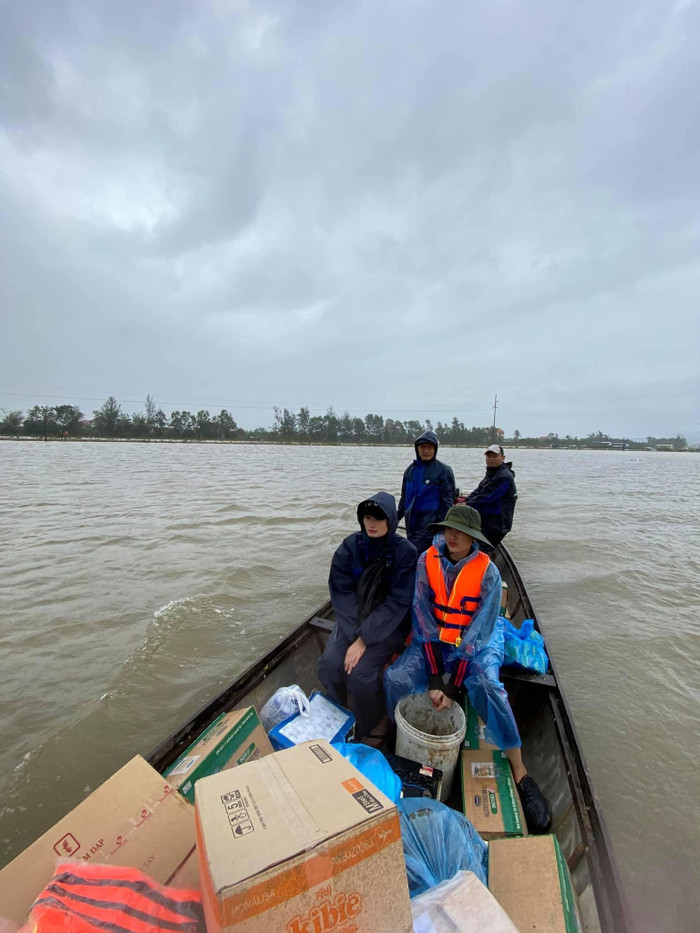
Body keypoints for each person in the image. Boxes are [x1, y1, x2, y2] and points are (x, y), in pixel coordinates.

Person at [383, 505, 551, 834]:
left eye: (461, 532)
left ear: (474, 539)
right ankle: (398, 742)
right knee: (395, 677)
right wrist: (435, 677)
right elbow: (422, 619)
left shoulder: (488, 572)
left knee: (488, 687)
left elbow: (478, 634)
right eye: (448, 529)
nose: (452, 535)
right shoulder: (426, 561)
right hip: (437, 639)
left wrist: (449, 686)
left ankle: (520, 771)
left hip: (480, 640)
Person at [318, 492, 418, 742]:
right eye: (367, 517)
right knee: (330, 664)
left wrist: (364, 639)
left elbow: (398, 602)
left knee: (360, 675)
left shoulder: (406, 552)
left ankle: (366, 724)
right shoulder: (349, 547)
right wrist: (355, 635)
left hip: (388, 625)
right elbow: (341, 593)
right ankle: (336, 714)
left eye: (379, 518)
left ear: (392, 521)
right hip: (351, 622)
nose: (372, 523)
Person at [398, 430, 456, 554]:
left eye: (430, 447)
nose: (426, 451)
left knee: (415, 553)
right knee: (412, 552)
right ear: (417, 448)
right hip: (412, 522)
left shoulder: (443, 471)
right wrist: (394, 518)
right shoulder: (410, 470)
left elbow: (448, 501)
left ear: (435, 449)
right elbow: (404, 498)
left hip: (430, 525)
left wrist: (441, 526)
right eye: (423, 447)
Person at [464, 444, 517, 550]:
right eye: (489, 456)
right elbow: (479, 490)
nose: (491, 459)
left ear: (503, 457)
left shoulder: (504, 476)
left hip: (497, 525)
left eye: (495, 456)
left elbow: (485, 497)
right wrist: (466, 501)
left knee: (479, 551)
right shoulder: (491, 473)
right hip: (486, 521)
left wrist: (464, 506)